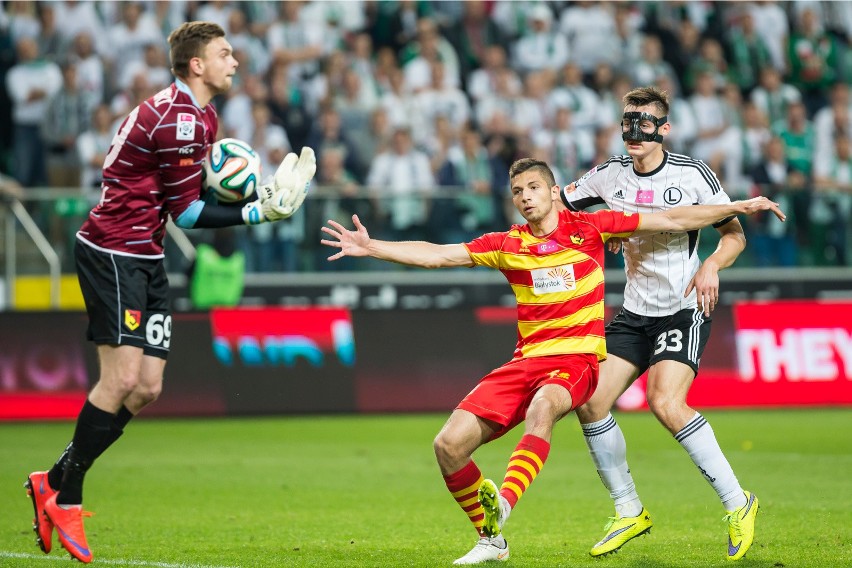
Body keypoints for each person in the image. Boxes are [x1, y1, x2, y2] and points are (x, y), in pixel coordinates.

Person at [321, 158, 784, 565]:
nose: (525, 198)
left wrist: (735, 207)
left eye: (533, 188)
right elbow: (441, 255)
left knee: (547, 407)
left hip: (576, 361)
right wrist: (375, 247)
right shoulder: (507, 244)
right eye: (517, 192)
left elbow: (671, 216)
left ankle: (501, 508)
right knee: (447, 446)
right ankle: (492, 541)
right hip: (524, 361)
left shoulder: (592, 228)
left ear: (554, 191)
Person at [25, 21, 317, 564]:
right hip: (114, 251)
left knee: (148, 388)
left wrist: (258, 188)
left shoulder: (200, 115)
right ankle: (68, 496)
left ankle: (54, 477)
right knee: (123, 379)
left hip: (147, 254)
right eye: (225, 54)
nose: (235, 61)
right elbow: (186, 210)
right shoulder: (181, 118)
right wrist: (258, 210)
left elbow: (189, 188)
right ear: (196, 65)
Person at [561, 85, 761, 561]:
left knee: (665, 402)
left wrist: (711, 265)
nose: (634, 132)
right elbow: (562, 211)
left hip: (682, 304)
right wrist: (599, 230)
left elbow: (734, 236)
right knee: (590, 402)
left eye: (644, 123)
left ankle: (739, 502)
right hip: (634, 311)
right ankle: (628, 509)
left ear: (664, 128)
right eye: (627, 122)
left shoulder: (693, 174)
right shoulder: (607, 176)